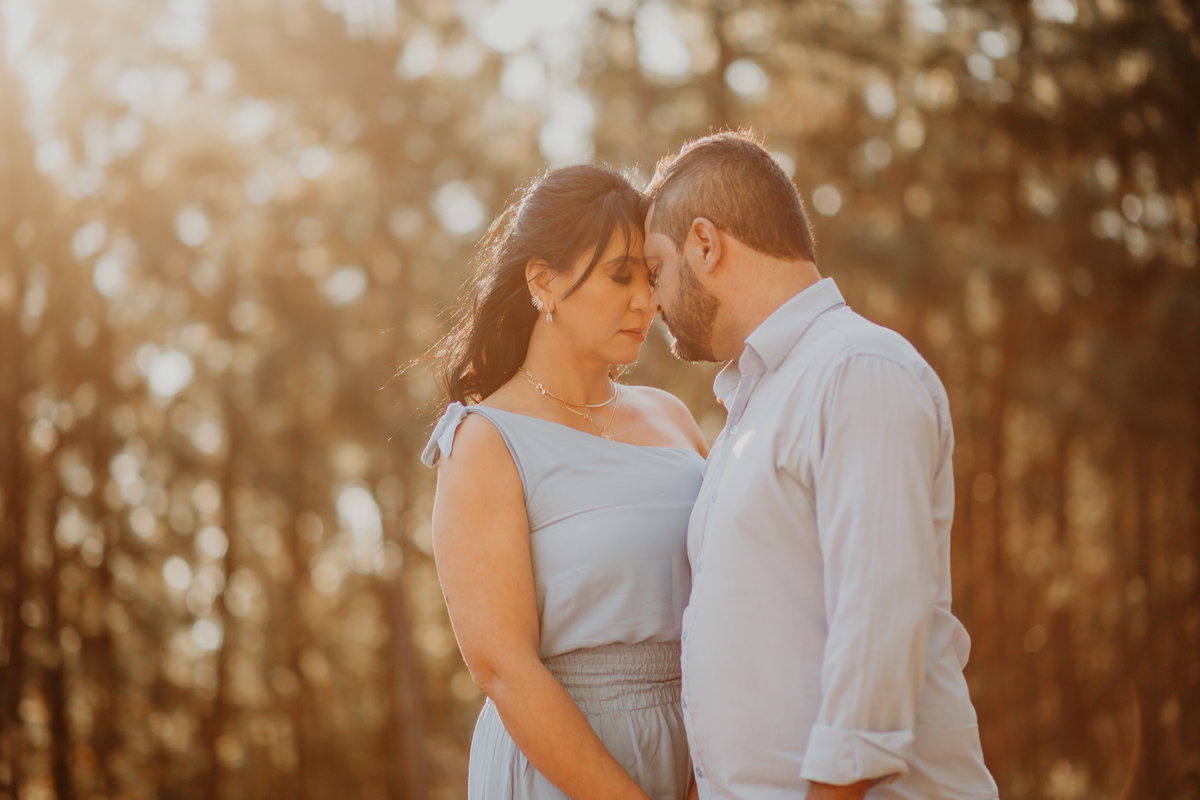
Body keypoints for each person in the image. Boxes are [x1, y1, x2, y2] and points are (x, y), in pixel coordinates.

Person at [643, 131, 1000, 800]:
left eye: (656, 268)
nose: (652, 299)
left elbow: (878, 626)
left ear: (705, 243)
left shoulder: (857, 370)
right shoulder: (749, 412)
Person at [421, 164, 708, 800]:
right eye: (620, 275)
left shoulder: (673, 416)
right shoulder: (486, 441)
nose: (647, 301)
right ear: (543, 282)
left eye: (652, 278)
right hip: (559, 768)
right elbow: (503, 669)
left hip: (699, 754)